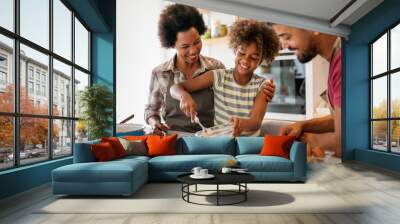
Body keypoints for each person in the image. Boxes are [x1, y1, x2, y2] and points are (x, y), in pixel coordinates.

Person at [145, 4, 276, 135]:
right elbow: (151, 111)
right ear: (172, 44)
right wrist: (154, 123)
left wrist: (264, 92)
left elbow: (236, 97)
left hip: (209, 137)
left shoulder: (216, 67)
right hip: (175, 136)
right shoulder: (160, 73)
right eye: (185, 46)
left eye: (197, 42)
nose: (193, 50)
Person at [170, 19, 280, 137]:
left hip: (248, 145)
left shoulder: (262, 85)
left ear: (261, 60)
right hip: (222, 142)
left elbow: (256, 122)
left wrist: (241, 124)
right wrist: (184, 95)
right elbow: (176, 87)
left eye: (253, 57)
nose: (246, 60)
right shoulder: (218, 76)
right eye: (242, 53)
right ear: (235, 50)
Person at [272, 24, 342, 157]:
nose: (283, 45)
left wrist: (307, 140)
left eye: (287, 37)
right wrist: (303, 125)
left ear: (314, 27)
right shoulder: (335, 59)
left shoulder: (343, 62)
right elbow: (340, 121)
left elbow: (344, 142)